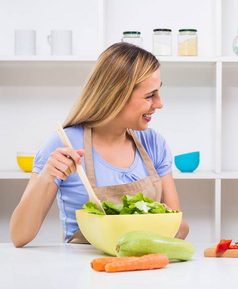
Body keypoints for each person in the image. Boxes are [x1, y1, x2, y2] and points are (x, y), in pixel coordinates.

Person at [10, 42, 189, 247]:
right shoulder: (64, 144)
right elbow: (19, 236)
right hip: (83, 271)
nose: (159, 103)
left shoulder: (153, 143)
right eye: (150, 95)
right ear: (117, 96)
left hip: (142, 268)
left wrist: (157, 223)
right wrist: (46, 176)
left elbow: (179, 227)